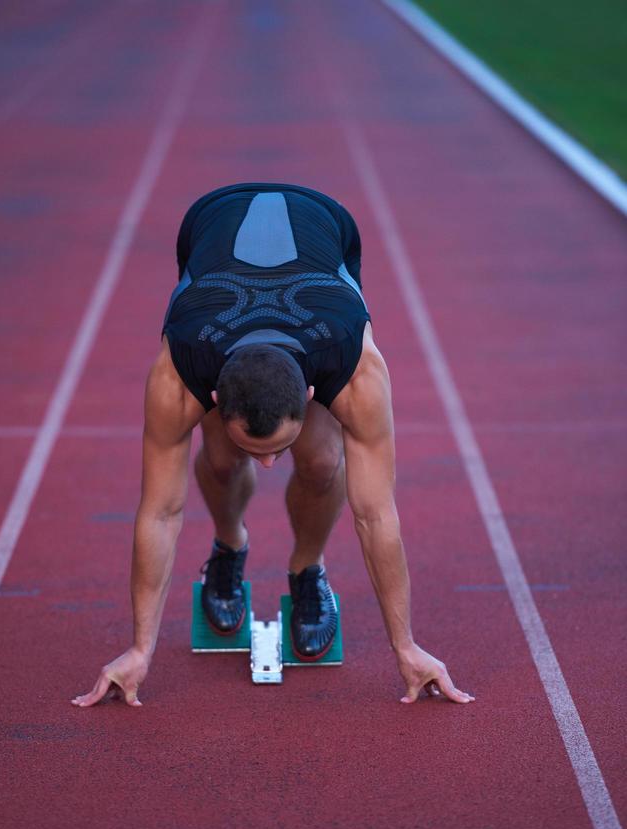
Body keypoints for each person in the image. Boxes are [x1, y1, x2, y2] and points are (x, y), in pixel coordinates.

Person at [72, 183, 474, 708]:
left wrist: (407, 646)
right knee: (219, 460)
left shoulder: (352, 365)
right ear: (213, 397)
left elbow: (376, 515)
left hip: (326, 230)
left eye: (277, 445)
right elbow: (161, 512)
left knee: (324, 462)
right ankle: (228, 545)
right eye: (256, 447)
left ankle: (308, 569)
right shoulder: (180, 371)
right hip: (208, 230)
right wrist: (139, 649)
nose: (266, 463)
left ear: (312, 394)